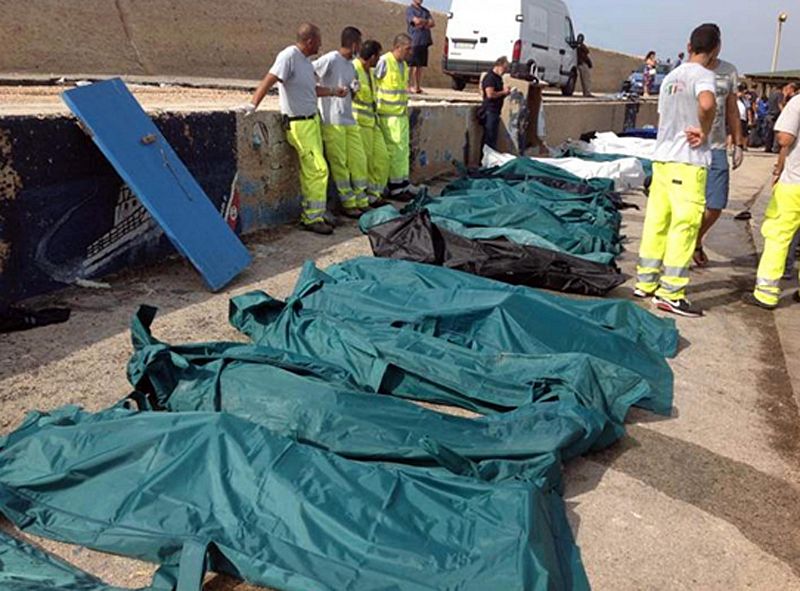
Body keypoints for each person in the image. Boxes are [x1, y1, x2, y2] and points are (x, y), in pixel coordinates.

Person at [634, 23, 719, 317]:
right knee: (684, 226)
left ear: (689, 44)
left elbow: (663, 118)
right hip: (688, 161)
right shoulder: (704, 76)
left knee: (657, 222)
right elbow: (707, 104)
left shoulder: (670, 77)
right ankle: (671, 291)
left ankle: (645, 282)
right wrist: (705, 131)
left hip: (662, 160)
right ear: (716, 49)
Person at [245, 23, 349, 235]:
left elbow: (311, 89)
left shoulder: (306, 63)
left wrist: (332, 92)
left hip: (311, 122)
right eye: (318, 41)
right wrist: (252, 105)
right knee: (317, 169)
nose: (320, 45)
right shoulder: (289, 56)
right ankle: (311, 218)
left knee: (314, 170)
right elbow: (270, 79)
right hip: (299, 124)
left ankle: (318, 213)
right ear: (309, 41)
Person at [747, 91, 800, 308]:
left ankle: (766, 292)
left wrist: (778, 169)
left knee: (778, 235)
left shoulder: (798, 102)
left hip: (796, 182)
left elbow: (785, 139)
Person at [692, 50, 744, 267]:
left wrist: (738, 142)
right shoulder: (687, 71)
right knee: (689, 205)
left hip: (717, 146)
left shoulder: (728, 71)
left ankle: (694, 240)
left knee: (715, 204)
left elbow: (732, 109)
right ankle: (686, 245)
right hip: (691, 146)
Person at [313, 27, 369, 217]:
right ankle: (349, 203)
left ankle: (362, 199)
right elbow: (310, 76)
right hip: (333, 120)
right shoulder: (330, 59)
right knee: (340, 163)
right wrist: (329, 91)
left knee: (358, 159)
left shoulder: (351, 65)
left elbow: (352, 88)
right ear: (354, 44)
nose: (360, 48)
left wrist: (354, 89)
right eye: (359, 44)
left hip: (348, 118)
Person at [375, 34, 417, 200]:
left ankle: (402, 184)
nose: (410, 52)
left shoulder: (404, 65)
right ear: (398, 47)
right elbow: (373, 83)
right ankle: (394, 187)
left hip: (400, 114)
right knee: (394, 151)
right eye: (407, 49)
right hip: (388, 115)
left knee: (402, 151)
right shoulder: (385, 62)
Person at [353, 40, 390, 207]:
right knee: (364, 162)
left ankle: (375, 193)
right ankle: (365, 196)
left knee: (382, 158)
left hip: (372, 122)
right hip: (359, 123)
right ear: (373, 56)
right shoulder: (353, 69)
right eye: (378, 56)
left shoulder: (371, 72)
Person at [480, 56, 511, 150]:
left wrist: (505, 93)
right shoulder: (490, 77)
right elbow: (490, 94)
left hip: (496, 111)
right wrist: (503, 92)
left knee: (493, 138)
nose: (505, 71)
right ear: (499, 65)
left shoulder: (498, 78)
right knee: (489, 138)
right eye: (504, 68)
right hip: (490, 111)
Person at [405, 0, 435, 94]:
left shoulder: (425, 11)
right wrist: (424, 22)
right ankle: (407, 86)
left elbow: (432, 23)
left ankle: (417, 86)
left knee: (419, 65)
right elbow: (415, 21)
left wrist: (423, 22)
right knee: (410, 65)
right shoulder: (410, 10)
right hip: (414, 41)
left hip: (424, 41)